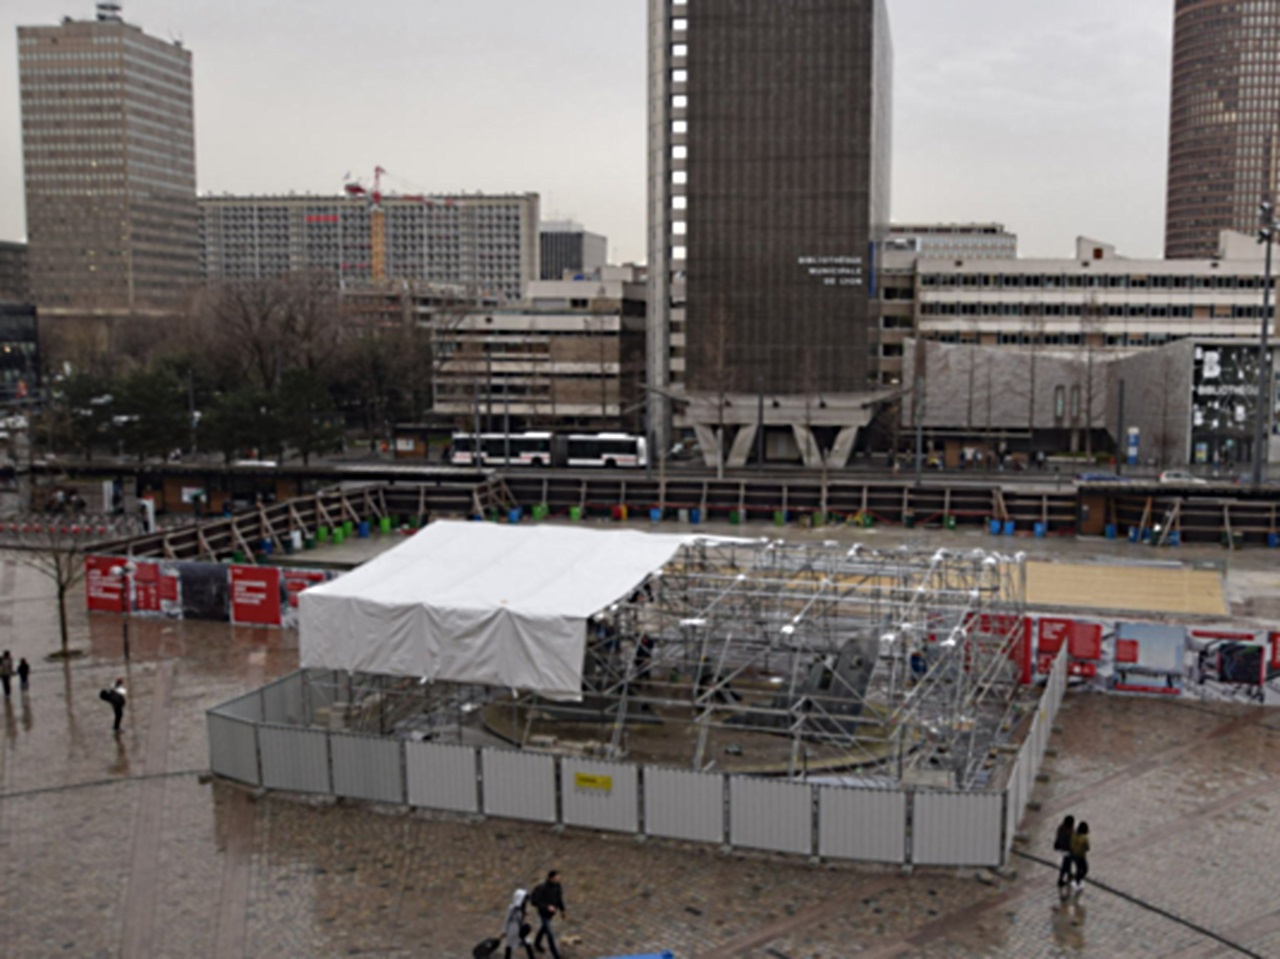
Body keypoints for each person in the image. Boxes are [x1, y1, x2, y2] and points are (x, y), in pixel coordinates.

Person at [530, 870, 566, 959]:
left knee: (544, 928)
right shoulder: (542, 888)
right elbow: (535, 901)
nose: (558, 879)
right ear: (550, 878)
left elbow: (559, 899)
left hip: (551, 913)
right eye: (556, 878)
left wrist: (562, 910)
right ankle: (555, 955)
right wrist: (547, 907)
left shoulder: (557, 886)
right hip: (543, 913)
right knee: (549, 933)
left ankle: (537, 943)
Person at [502, 888, 534, 959]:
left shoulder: (522, 908)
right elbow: (507, 919)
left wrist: (524, 913)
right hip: (513, 929)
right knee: (509, 945)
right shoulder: (511, 908)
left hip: (520, 927)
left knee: (527, 943)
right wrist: (504, 930)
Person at [1053, 815, 1075, 893]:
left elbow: (1058, 837)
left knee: (1067, 862)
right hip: (1068, 850)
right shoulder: (1070, 832)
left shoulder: (1060, 828)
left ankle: (1069, 874)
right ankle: (1061, 879)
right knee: (1066, 864)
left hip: (1061, 848)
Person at [1070, 821, 1091, 893]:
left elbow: (1071, 844)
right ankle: (1076, 881)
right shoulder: (1084, 838)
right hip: (1081, 856)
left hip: (1073, 855)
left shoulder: (1074, 835)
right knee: (1085, 869)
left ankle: (1076, 881)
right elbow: (1087, 848)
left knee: (1078, 869)